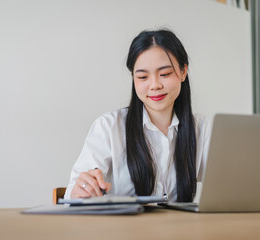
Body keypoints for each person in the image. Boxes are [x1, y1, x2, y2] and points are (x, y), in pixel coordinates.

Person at [64, 29, 211, 202]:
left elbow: (227, 183)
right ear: (133, 78)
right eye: (142, 77)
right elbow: (72, 196)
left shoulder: (201, 128)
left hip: (180, 229)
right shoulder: (109, 127)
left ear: (183, 72)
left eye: (164, 74)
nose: (155, 85)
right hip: (122, 228)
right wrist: (81, 190)